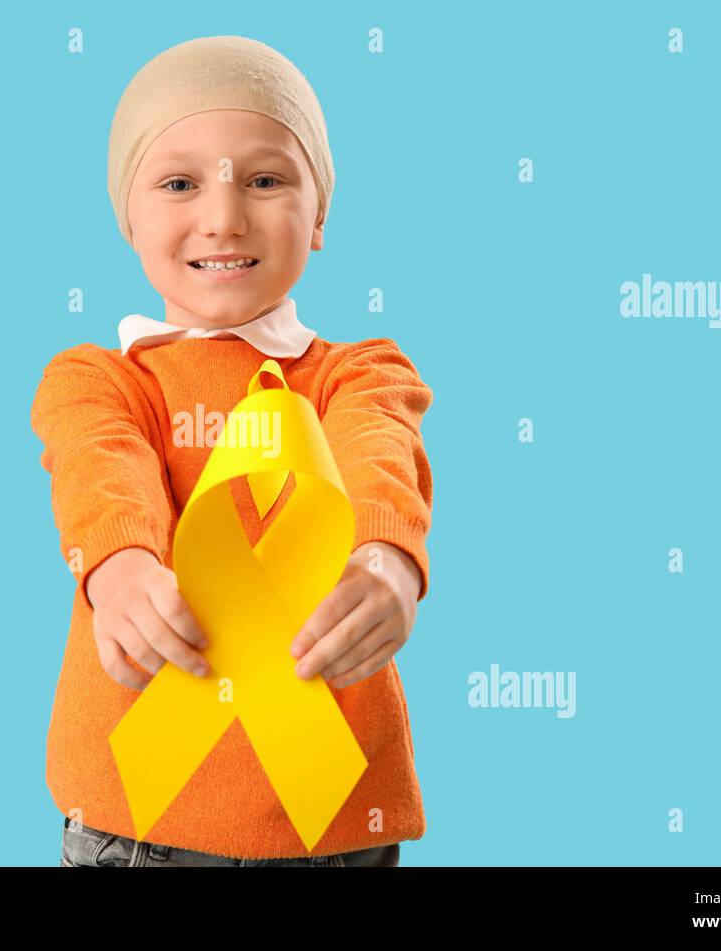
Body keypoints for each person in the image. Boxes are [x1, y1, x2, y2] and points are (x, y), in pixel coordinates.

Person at [31, 35, 434, 867]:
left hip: (330, 821)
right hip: (133, 819)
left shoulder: (355, 374)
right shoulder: (101, 379)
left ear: (319, 214)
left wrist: (387, 558)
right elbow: (98, 466)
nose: (222, 216)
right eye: (179, 182)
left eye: (265, 180)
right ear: (129, 217)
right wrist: (122, 568)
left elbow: (379, 452)